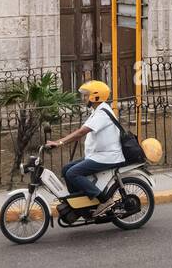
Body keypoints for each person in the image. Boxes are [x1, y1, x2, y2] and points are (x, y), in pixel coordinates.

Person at [45, 80, 125, 215]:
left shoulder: (102, 113)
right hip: (97, 155)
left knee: (73, 173)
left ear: (96, 96)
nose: (84, 98)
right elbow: (81, 131)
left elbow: (82, 132)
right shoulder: (97, 111)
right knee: (66, 169)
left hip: (107, 156)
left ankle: (104, 200)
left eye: (86, 95)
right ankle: (80, 203)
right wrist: (59, 142)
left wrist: (59, 143)